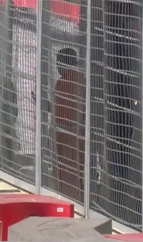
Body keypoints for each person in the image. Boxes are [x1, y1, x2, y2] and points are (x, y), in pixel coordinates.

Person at [53, 47, 87, 201]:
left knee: (68, 180)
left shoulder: (64, 82)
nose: (56, 67)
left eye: (58, 63)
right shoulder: (81, 79)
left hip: (67, 140)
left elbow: (63, 116)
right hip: (80, 138)